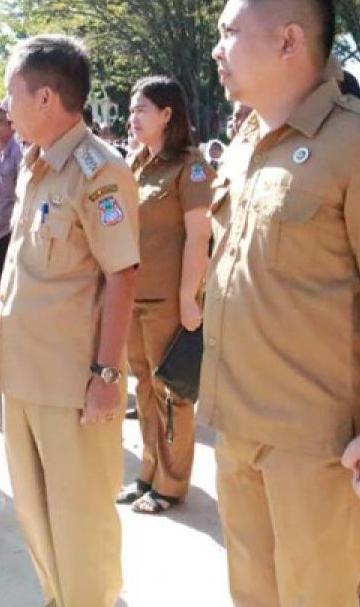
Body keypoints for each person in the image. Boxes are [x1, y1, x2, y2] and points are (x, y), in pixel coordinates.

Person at [205, 0, 360, 605]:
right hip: (239, 423)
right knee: (253, 593)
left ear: (287, 41)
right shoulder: (248, 140)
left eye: (230, 32)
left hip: (317, 442)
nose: (219, 49)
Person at [0, 35, 139, 607]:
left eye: (12, 93)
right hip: (24, 371)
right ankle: (60, 596)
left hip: (72, 379)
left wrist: (106, 374)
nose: (5, 105)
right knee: (32, 505)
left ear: (46, 97)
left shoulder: (99, 172)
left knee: (80, 514)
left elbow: (122, 274)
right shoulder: (35, 165)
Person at [119, 75, 213, 514]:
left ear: (167, 114)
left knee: (171, 392)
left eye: (141, 109)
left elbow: (198, 236)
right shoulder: (136, 164)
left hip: (168, 300)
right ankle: (148, 471)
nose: (132, 117)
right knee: (143, 389)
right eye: (132, 109)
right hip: (134, 296)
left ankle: (172, 484)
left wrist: (189, 296)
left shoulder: (190, 166)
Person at [0, 104, 21, 317]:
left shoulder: (18, 153)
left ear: (11, 123)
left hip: (9, 230)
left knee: (3, 287)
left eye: (0, 121)